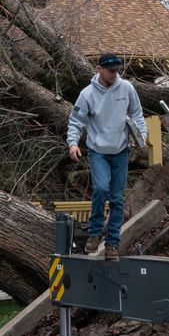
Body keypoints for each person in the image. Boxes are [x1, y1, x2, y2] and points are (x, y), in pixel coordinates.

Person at [67, 53, 147, 261]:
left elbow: (137, 114)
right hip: (98, 151)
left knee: (117, 199)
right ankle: (94, 234)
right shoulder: (87, 94)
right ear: (99, 69)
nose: (114, 74)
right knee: (101, 189)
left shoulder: (127, 88)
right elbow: (76, 121)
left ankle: (112, 244)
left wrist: (141, 135)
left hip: (120, 150)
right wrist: (73, 143)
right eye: (111, 71)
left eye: (117, 71)